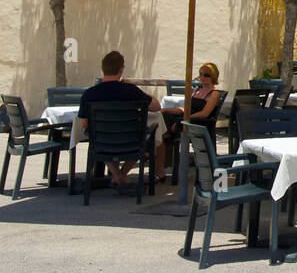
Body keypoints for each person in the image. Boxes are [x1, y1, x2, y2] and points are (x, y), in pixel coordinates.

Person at [75, 51, 161, 190]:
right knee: (145, 140)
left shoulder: (89, 94)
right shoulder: (130, 90)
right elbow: (156, 106)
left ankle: (117, 177)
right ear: (121, 69)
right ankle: (120, 177)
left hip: (102, 141)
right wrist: (137, 89)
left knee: (99, 139)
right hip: (131, 140)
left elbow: (84, 124)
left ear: (103, 68)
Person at [159, 62, 223, 172]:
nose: (202, 77)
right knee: (163, 115)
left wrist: (184, 119)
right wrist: (166, 109)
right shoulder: (197, 90)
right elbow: (186, 109)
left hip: (198, 123)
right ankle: (163, 140)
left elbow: (204, 114)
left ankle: (159, 150)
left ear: (213, 76)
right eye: (201, 74)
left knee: (165, 132)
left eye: (206, 75)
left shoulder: (214, 94)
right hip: (188, 119)